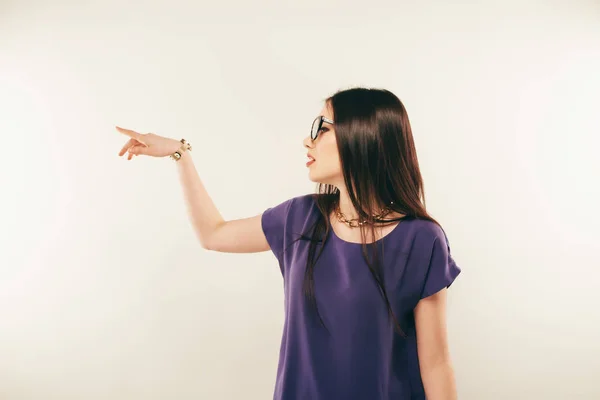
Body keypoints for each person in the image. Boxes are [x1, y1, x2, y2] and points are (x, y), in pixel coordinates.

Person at [116, 87, 461, 400]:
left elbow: (435, 364)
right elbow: (213, 234)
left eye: (322, 129)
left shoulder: (420, 240)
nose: (307, 141)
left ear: (364, 137)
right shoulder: (300, 219)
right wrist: (180, 154)